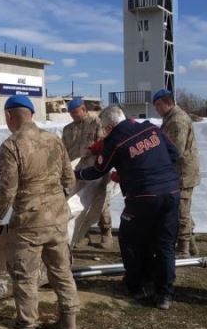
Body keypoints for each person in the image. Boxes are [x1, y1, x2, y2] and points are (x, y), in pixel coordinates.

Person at [0, 95, 79, 329]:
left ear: (10, 117)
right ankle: (69, 327)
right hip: (58, 219)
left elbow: (6, 193)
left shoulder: (11, 146)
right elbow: (69, 180)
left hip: (28, 224)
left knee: (25, 279)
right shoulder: (54, 140)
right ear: (32, 115)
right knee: (61, 271)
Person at [76, 106, 180, 310]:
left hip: (143, 196)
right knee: (164, 244)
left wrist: (76, 175)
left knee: (129, 239)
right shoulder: (151, 129)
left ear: (108, 127)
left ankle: (136, 286)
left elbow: (98, 170)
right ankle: (164, 295)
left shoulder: (116, 141)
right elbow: (174, 154)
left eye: (105, 129)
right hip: (171, 192)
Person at [152, 89, 201, 258]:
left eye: (158, 104)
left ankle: (184, 249)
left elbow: (176, 151)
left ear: (168, 102)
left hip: (182, 173)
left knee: (181, 211)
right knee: (181, 209)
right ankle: (192, 246)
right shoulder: (170, 118)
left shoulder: (177, 120)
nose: (156, 108)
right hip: (178, 172)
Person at [62, 97, 113, 248]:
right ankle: (82, 234)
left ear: (84, 109)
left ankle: (106, 231)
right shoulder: (68, 129)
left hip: (95, 169)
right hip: (76, 171)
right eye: (71, 113)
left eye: (75, 112)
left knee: (100, 201)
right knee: (76, 202)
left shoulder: (96, 123)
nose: (73, 115)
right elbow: (63, 150)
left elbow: (105, 145)